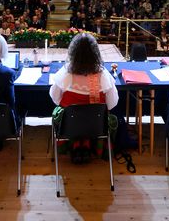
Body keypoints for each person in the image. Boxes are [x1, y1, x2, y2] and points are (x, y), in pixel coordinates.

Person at [49, 33, 119, 163]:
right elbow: (112, 104)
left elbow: (55, 98)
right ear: (95, 52)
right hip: (97, 126)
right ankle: (89, 145)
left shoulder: (66, 75)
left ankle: (75, 145)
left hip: (68, 126)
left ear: (73, 52)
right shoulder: (103, 75)